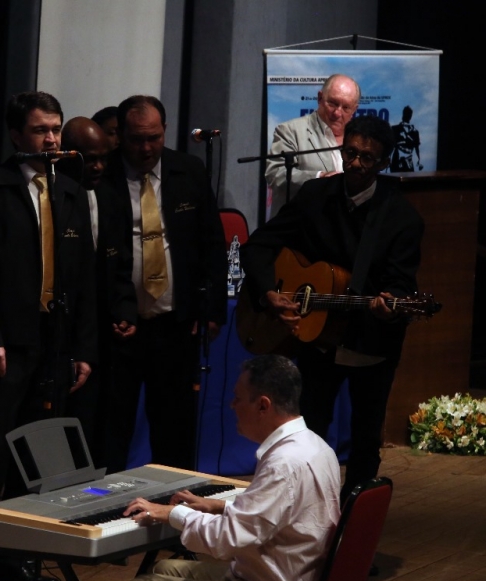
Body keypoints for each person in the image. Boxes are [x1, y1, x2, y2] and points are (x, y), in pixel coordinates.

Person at [0, 90, 97, 581]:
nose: (52, 139)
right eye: (40, 130)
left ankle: (16, 555)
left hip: (53, 343)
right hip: (5, 345)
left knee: (35, 454)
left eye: (55, 129)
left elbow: (84, 279)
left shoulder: (71, 191)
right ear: (17, 135)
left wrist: (82, 348)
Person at [241, 115, 424, 501]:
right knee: (309, 432)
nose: (355, 164)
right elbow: (259, 244)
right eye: (350, 153)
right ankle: (304, 515)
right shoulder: (315, 196)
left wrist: (389, 304)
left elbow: (400, 285)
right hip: (318, 340)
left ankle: (352, 526)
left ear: (384, 162)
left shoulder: (402, 218)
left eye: (367, 158)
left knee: (365, 438)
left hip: (369, 343)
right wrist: (268, 293)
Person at [124, 354, 341, 581]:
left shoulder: (284, 463)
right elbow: (281, 513)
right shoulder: (315, 446)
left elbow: (226, 543)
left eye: (238, 398)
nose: (231, 405)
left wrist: (171, 514)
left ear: (263, 405)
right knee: (162, 570)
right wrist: (219, 505)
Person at [102, 95, 227, 474]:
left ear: (165, 131)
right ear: (121, 135)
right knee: (111, 432)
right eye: (137, 139)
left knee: (175, 432)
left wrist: (211, 309)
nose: (146, 148)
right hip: (119, 329)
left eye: (154, 138)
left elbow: (212, 244)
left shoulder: (188, 170)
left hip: (176, 325)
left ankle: (173, 503)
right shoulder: (102, 174)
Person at [57, 117, 136, 466]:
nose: (99, 166)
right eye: (90, 159)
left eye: (103, 158)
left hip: (105, 332)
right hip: (63, 329)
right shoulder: (53, 199)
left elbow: (122, 266)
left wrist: (125, 311)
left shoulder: (110, 197)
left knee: (104, 424)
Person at [265, 74, 361, 216]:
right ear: (320, 98)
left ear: (354, 109)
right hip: (302, 223)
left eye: (346, 107)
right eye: (333, 103)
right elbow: (275, 174)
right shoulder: (290, 131)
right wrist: (319, 177)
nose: (337, 113)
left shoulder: (359, 138)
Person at [390, 105, 422, 172]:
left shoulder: (415, 132)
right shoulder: (395, 129)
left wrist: (419, 160)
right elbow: (391, 146)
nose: (408, 116)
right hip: (397, 159)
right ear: (403, 114)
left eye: (409, 114)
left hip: (408, 159)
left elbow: (416, 147)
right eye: (406, 113)